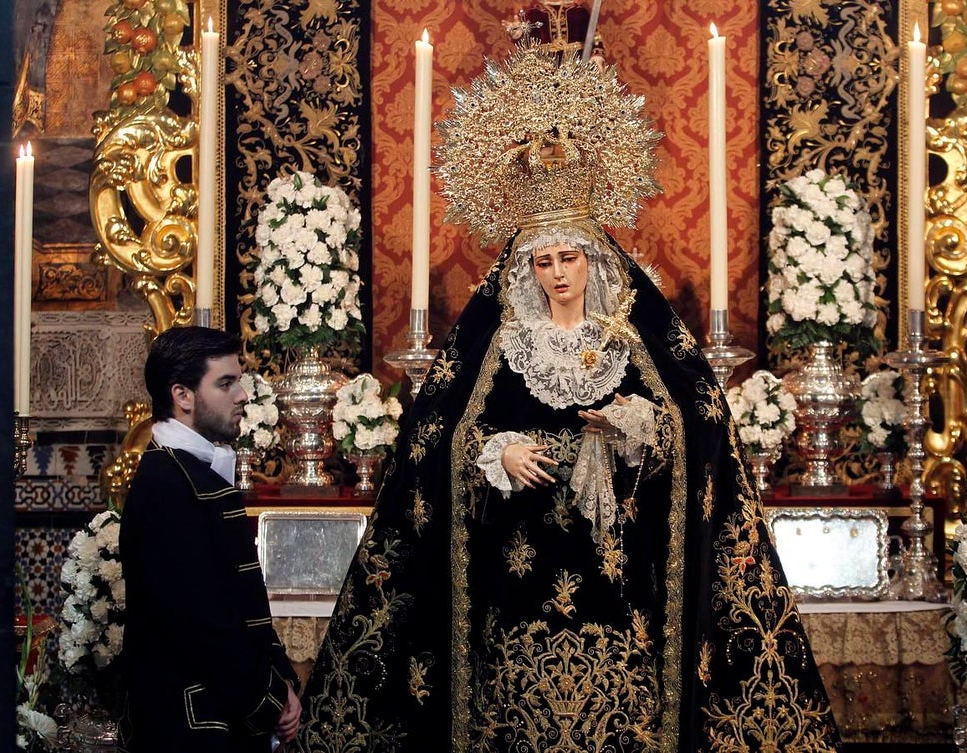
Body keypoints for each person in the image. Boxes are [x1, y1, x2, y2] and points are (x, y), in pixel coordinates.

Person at [292, 48, 840, 752]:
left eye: (568, 258)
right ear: (526, 267)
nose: (556, 274)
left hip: (618, 573)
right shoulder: (498, 340)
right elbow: (440, 435)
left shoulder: (636, 338)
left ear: (594, 257)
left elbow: (696, 425)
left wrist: (635, 422)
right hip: (519, 572)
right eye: (542, 262)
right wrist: (498, 449)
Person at [119, 326, 301, 752]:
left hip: (219, 711)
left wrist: (282, 683)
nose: (242, 395)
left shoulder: (191, 473)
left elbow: (245, 606)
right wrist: (270, 699)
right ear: (182, 395)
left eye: (238, 380)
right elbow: (201, 623)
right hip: (191, 725)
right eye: (225, 383)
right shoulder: (166, 483)